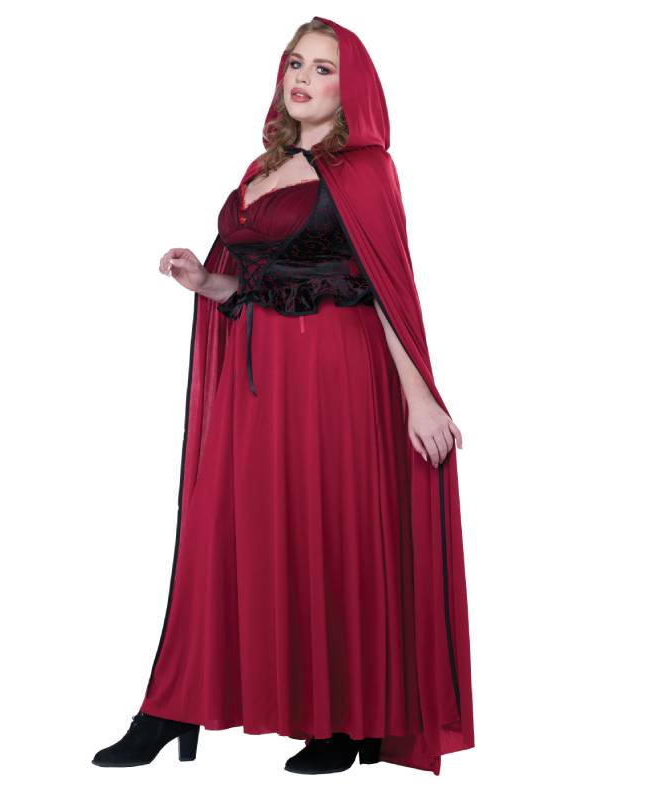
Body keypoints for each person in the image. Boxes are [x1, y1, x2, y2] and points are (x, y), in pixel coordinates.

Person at [92, 16, 474, 776]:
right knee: (226, 530)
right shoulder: (261, 167)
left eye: (324, 68)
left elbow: (387, 289)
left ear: (351, 87)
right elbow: (249, 285)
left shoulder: (366, 170)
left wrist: (420, 397)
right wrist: (204, 281)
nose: (303, 78)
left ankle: (341, 721)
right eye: (296, 63)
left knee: (329, 530)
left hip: (338, 373)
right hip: (258, 380)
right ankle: (172, 705)